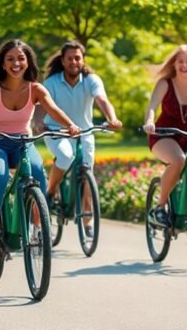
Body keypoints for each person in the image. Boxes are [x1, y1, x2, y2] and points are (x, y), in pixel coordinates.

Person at [0, 39, 80, 278]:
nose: (16, 63)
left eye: (21, 58)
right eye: (10, 59)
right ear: (3, 63)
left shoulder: (35, 89)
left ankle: (38, 227)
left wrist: (70, 125)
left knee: (38, 175)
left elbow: (52, 108)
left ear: (28, 61)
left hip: (22, 143)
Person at [32, 41, 122, 237]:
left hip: (85, 132)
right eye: (70, 58)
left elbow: (102, 100)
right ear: (62, 61)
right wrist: (39, 123)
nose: (74, 61)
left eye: (77, 58)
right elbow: (41, 106)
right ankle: (51, 190)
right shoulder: (52, 82)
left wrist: (111, 119)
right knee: (65, 156)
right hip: (57, 131)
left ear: (83, 60)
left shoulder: (91, 80)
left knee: (86, 175)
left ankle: (87, 222)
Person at [142, 44, 187, 229]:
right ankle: (160, 207)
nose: (184, 65)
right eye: (180, 61)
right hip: (165, 134)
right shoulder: (165, 83)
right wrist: (150, 121)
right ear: (174, 64)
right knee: (178, 160)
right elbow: (152, 107)